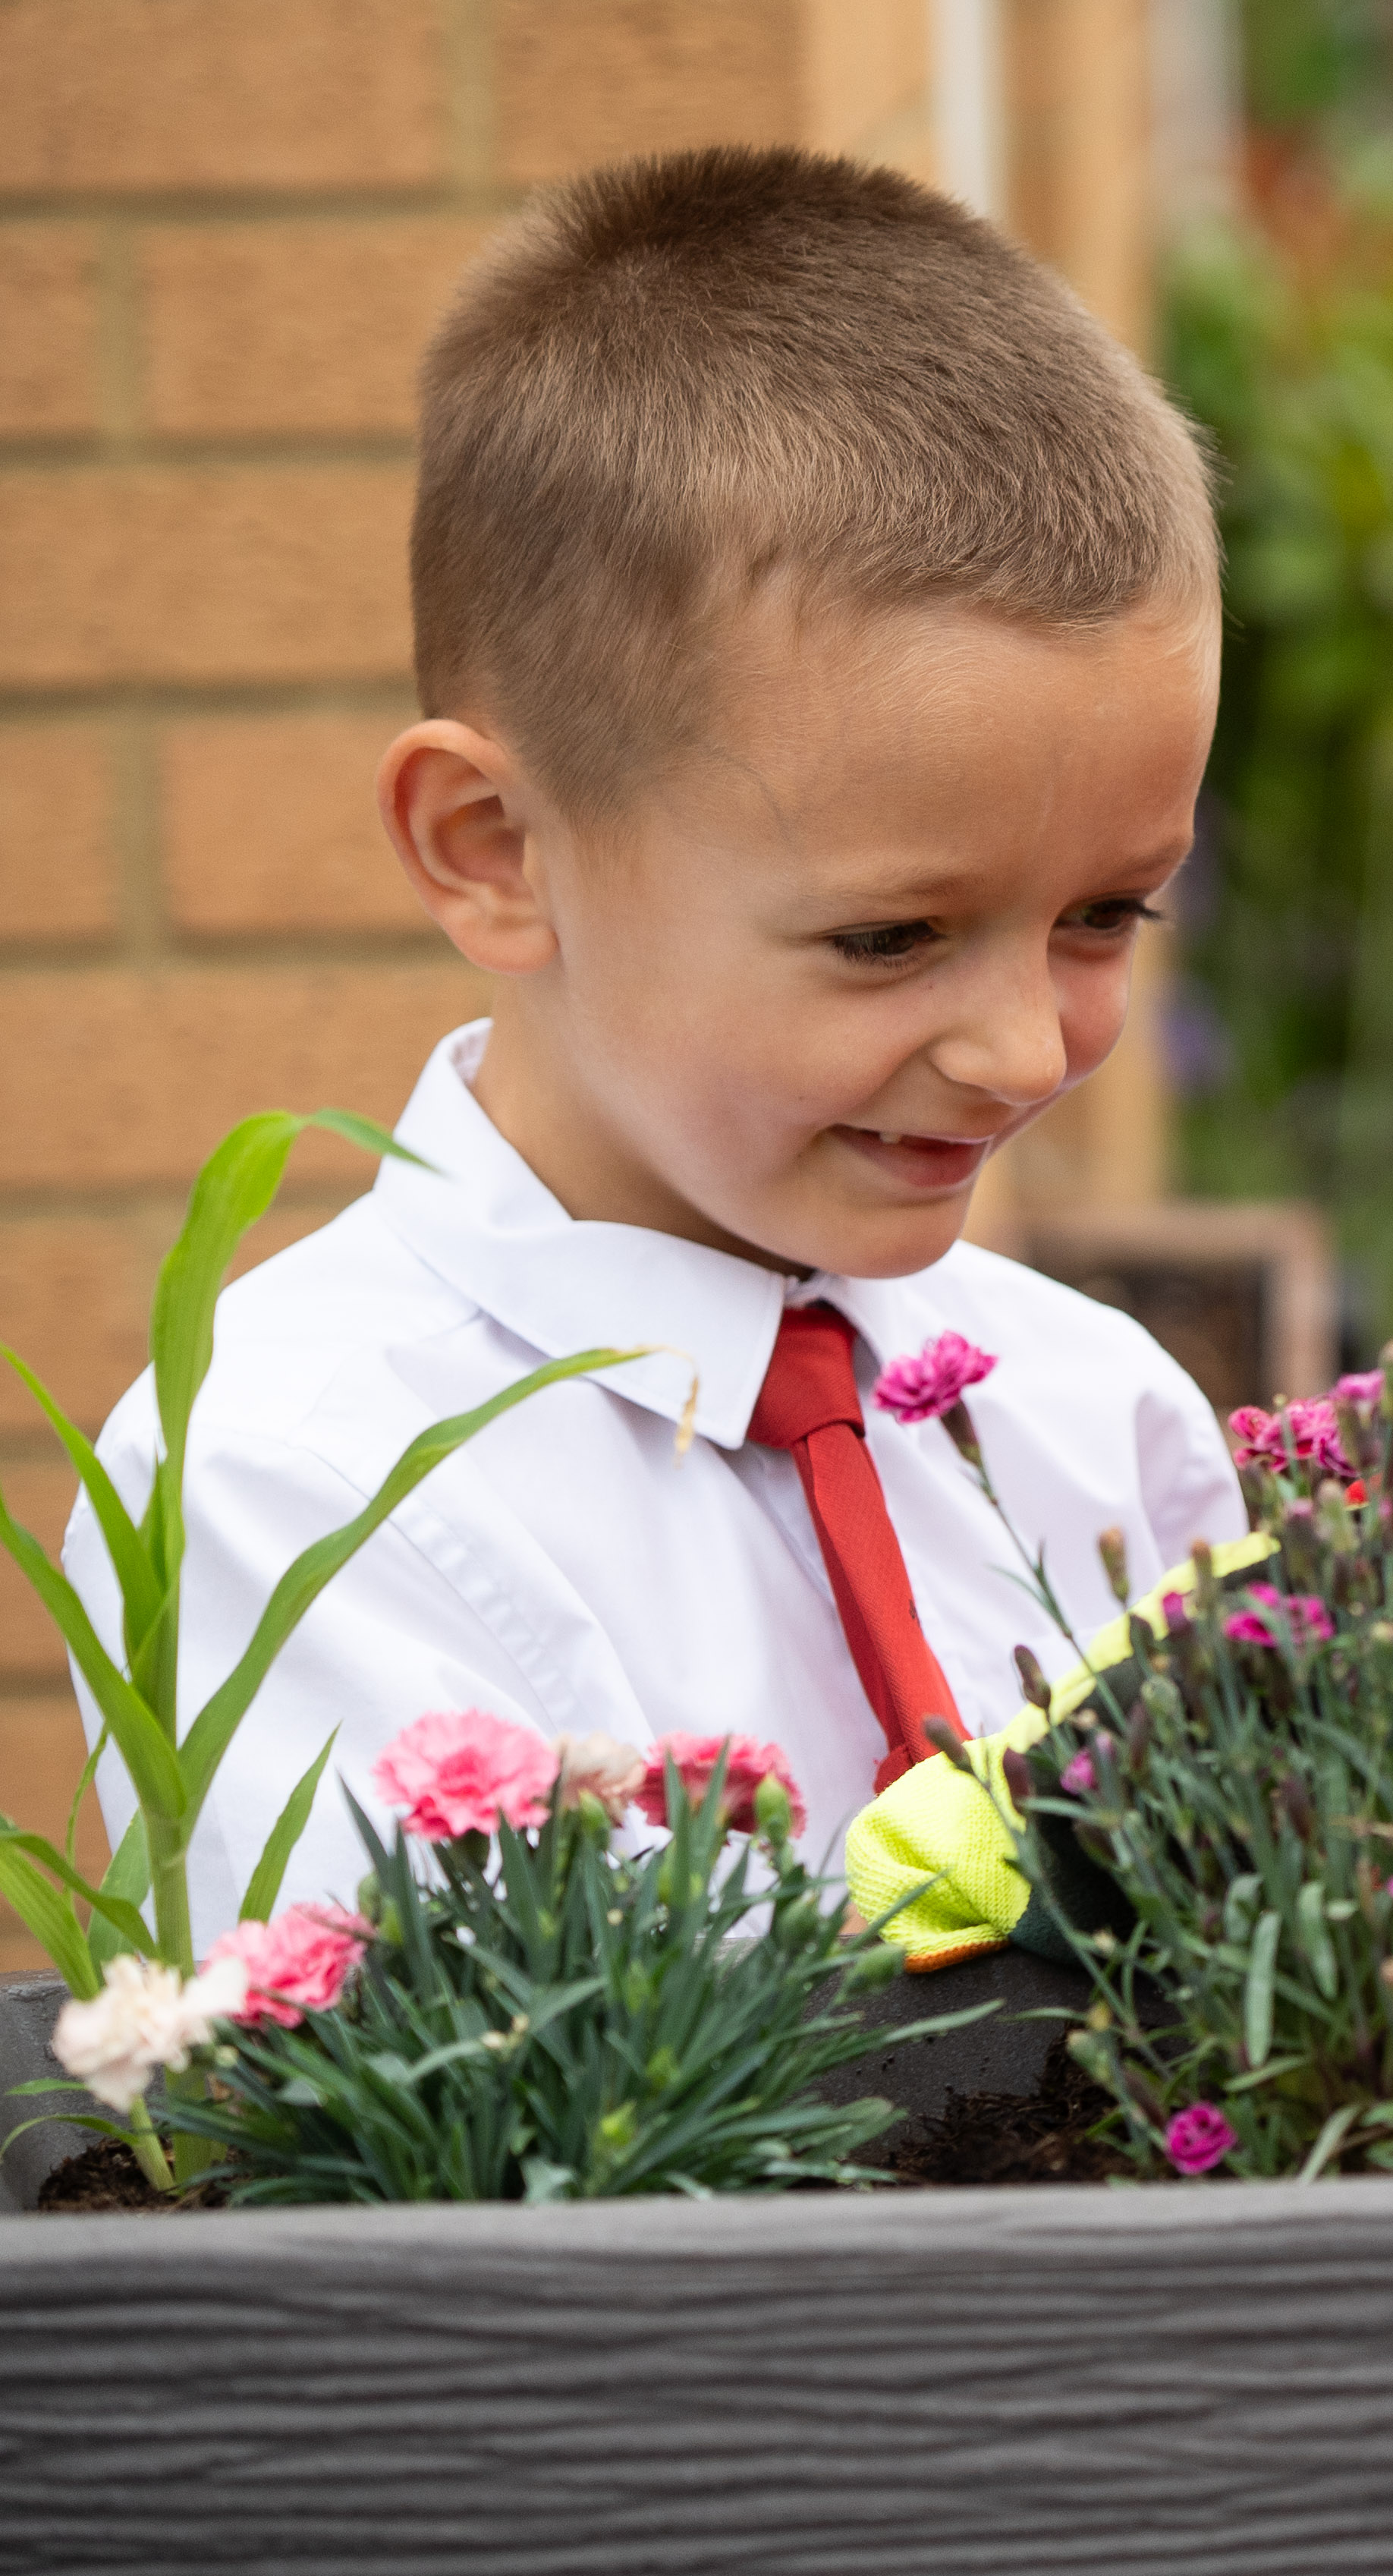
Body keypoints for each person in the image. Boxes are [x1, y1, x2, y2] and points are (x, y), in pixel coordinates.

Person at [61, 148, 1247, 1934]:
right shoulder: (288, 1482)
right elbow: (477, 2156)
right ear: (496, 849)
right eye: (889, 937)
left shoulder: (1099, 1423)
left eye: (1106, 913)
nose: (1021, 1047)